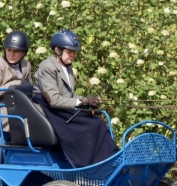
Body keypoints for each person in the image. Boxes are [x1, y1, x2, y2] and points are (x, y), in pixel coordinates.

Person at [33, 29, 118, 167]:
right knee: (91, 126)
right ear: (57, 50)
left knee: (96, 119)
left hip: (60, 109)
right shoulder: (47, 67)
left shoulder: (67, 67)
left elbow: (68, 95)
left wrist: (87, 100)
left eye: (74, 52)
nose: (73, 55)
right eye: (69, 52)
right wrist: (81, 102)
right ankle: (88, 164)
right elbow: (53, 100)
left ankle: (108, 160)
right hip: (48, 110)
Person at [0, 30, 32, 164]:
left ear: (23, 52)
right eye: (9, 50)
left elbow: (29, 88)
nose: (11, 54)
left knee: (12, 162)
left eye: (16, 51)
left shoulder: (26, 65)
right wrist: (15, 85)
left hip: (16, 120)